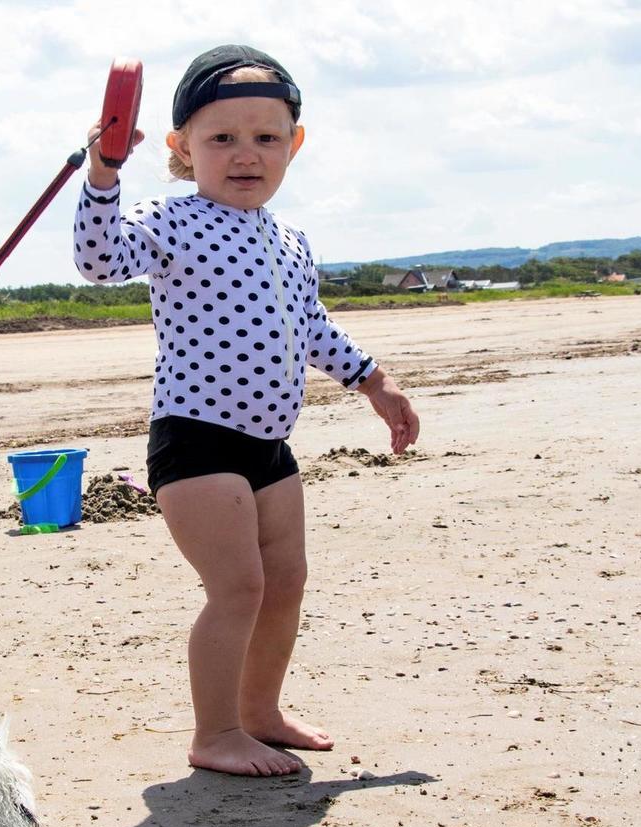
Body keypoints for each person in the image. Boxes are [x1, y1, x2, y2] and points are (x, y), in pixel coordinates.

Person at [72, 44, 419, 777]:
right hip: (196, 440)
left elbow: (313, 327)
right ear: (181, 147)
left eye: (266, 138)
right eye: (221, 138)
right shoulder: (171, 217)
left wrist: (375, 383)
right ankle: (215, 732)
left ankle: (261, 712)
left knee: (285, 581)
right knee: (238, 588)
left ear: (294, 145)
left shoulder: (289, 239)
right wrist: (102, 173)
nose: (244, 155)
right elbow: (100, 259)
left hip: (270, 444)